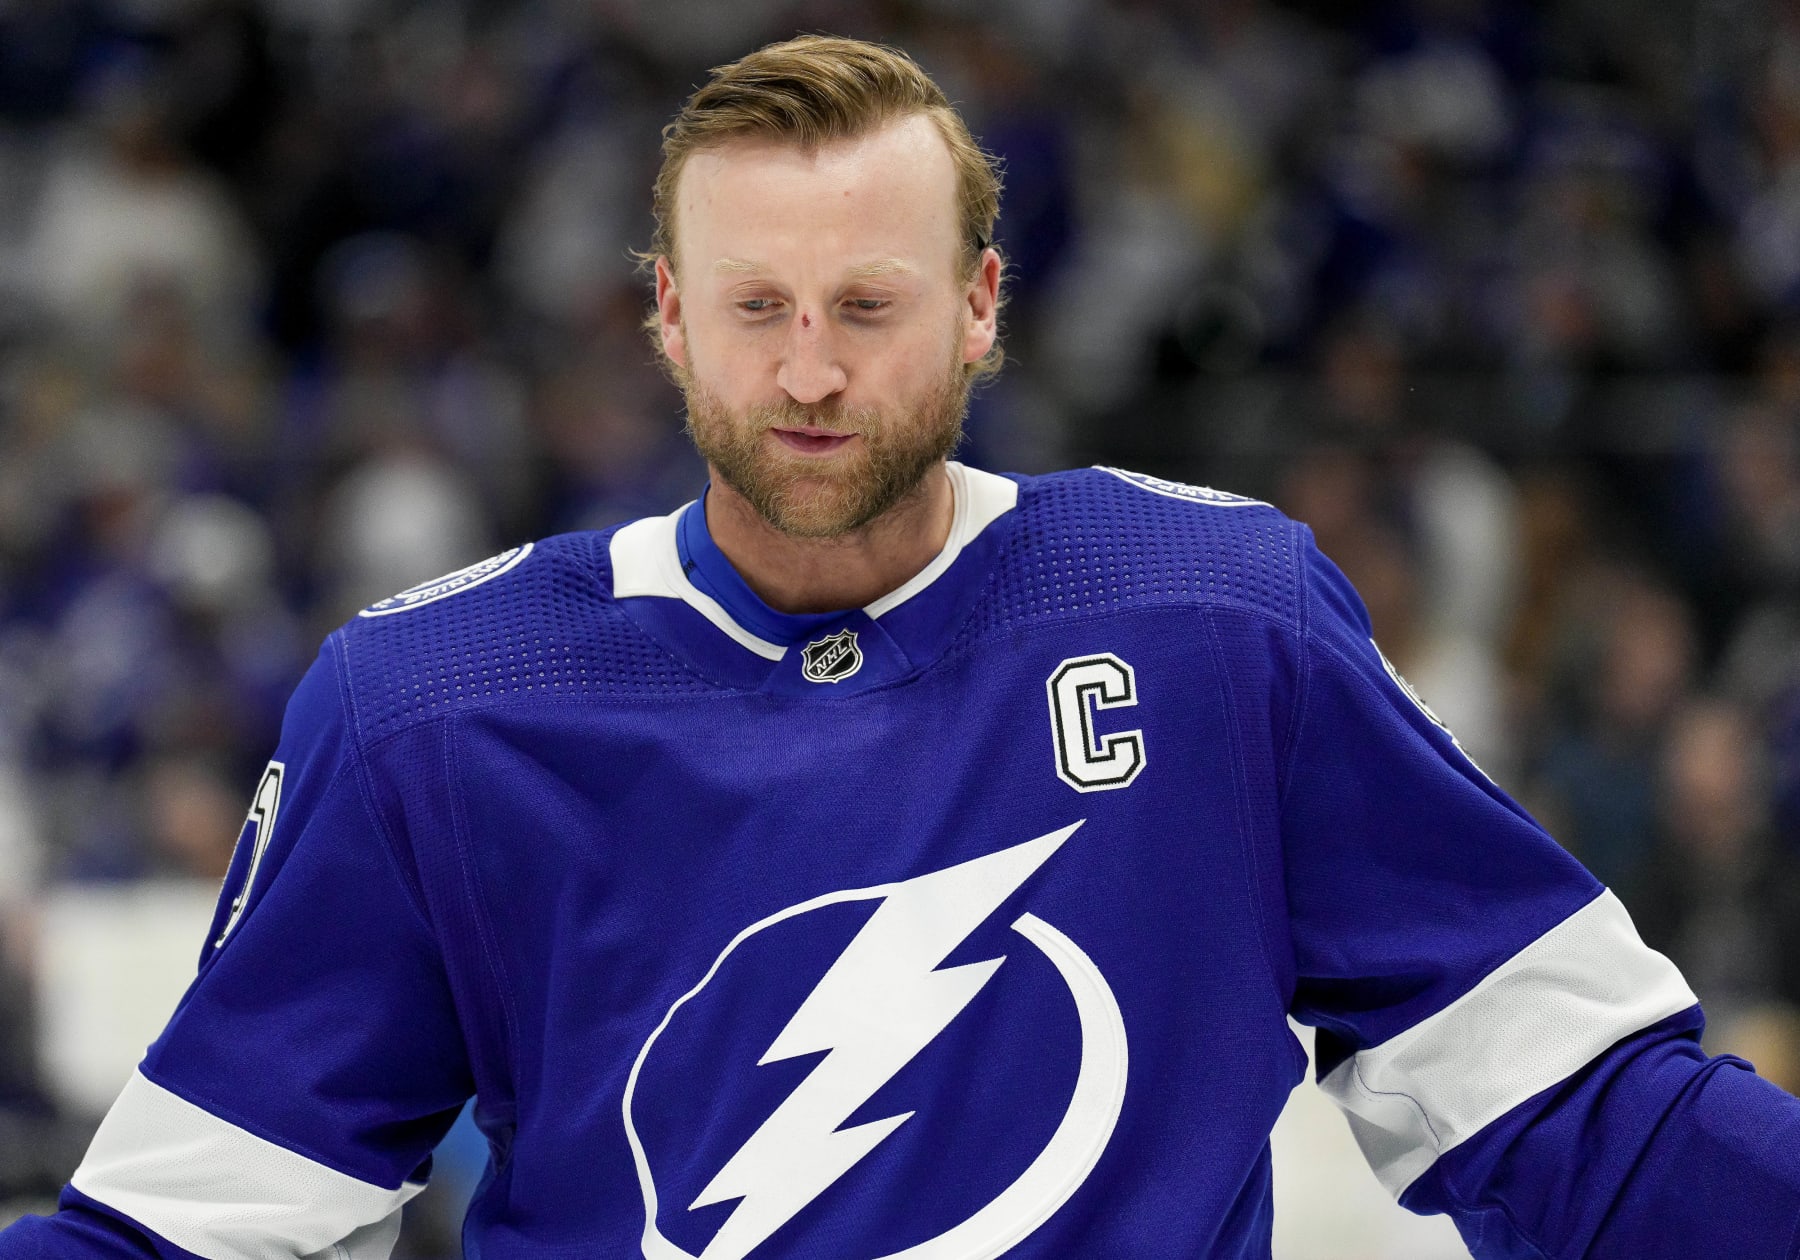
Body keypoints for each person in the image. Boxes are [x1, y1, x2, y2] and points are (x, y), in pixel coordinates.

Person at [7, 35, 1800, 1260]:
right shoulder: (430, 710)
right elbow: (184, 1226)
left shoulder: (1218, 623)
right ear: (665, 318)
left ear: (981, 307)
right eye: (754, 309)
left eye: (867, 306)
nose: (807, 372)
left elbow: (1581, 1108)